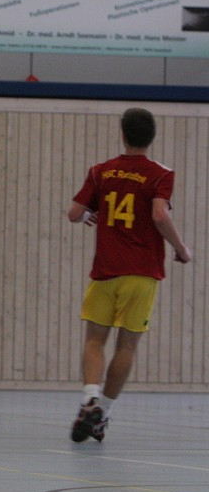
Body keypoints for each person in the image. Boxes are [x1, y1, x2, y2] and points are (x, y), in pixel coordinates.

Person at [68, 107, 191, 442]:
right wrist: (181, 249)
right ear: (151, 137)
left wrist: (86, 218)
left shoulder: (100, 171)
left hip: (105, 271)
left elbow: (75, 213)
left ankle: (89, 398)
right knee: (127, 346)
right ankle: (102, 413)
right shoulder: (161, 173)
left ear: (122, 134)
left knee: (95, 340)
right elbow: (160, 215)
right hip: (142, 273)